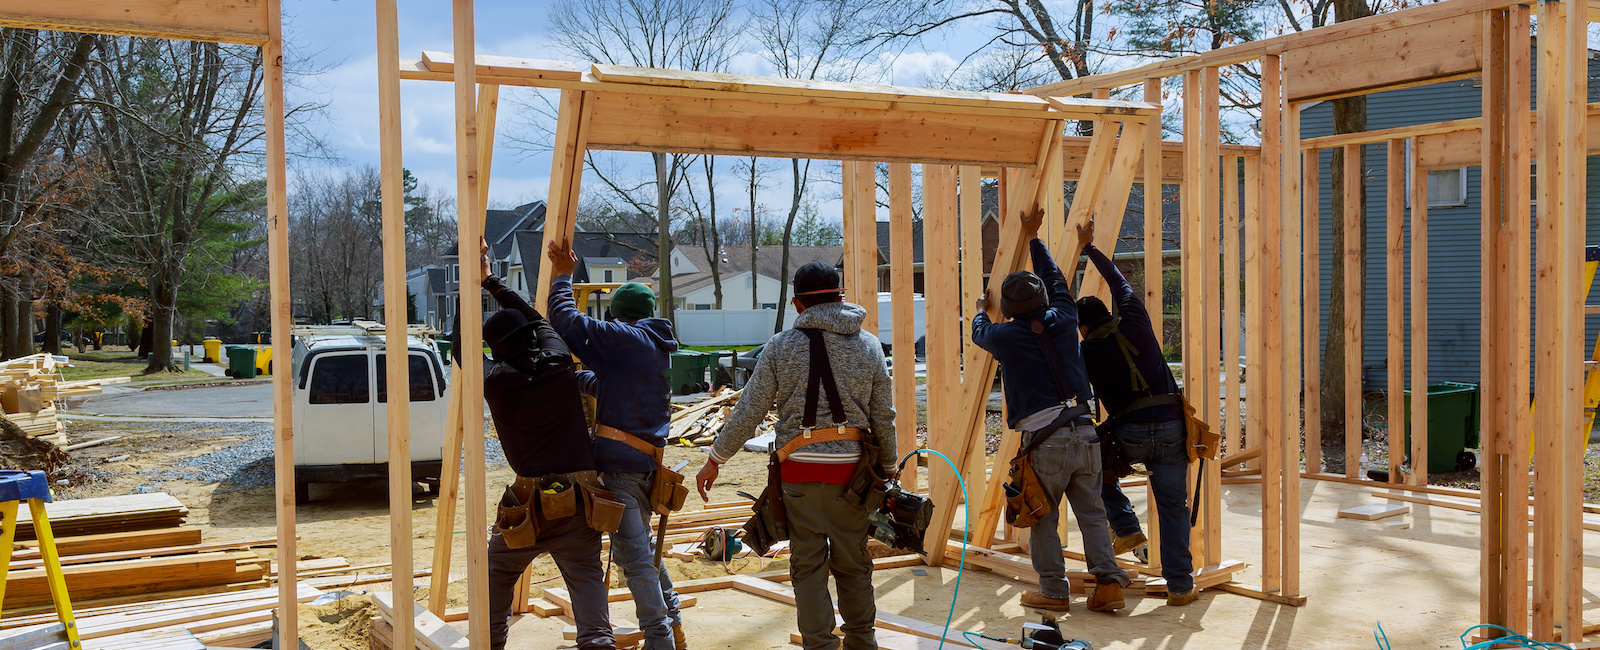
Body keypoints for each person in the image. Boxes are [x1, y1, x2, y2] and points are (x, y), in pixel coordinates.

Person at [694, 261, 896, 650]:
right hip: (853, 479)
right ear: (840, 297)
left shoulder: (780, 346)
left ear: (797, 304)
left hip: (799, 474)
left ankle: (819, 646)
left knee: (807, 568)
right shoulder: (868, 344)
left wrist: (715, 459)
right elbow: (883, 416)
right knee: (854, 566)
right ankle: (861, 644)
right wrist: (888, 468)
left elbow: (749, 410)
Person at [452, 239, 613, 650]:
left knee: (495, 577)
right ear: (531, 338)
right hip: (579, 501)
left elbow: (460, 347)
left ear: (496, 348)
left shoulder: (496, 382)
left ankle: (489, 645)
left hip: (527, 508)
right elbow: (537, 319)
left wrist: (468, 285)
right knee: (588, 588)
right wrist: (490, 280)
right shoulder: (559, 361)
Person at [971, 208, 1129, 613]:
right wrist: (1033, 237)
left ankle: (1055, 592)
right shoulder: (1065, 317)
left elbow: (979, 332)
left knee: (1041, 516)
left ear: (1007, 308)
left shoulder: (1003, 335)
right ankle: (1108, 584)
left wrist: (978, 309)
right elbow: (1058, 279)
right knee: (1093, 513)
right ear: (1043, 299)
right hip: (1086, 432)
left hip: (1046, 443)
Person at [546, 238, 687, 650]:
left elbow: (565, 320)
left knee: (636, 562)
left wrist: (563, 276)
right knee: (643, 554)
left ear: (618, 318)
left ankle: (662, 642)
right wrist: (576, 381)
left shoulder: (626, 339)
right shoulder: (653, 346)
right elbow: (615, 386)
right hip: (645, 465)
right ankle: (673, 625)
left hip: (624, 470)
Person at [1075, 221, 1198, 607]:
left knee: (1093, 472)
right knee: (1173, 506)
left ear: (1082, 326)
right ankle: (1180, 587)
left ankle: (1127, 529)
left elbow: (1086, 400)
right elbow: (1119, 282)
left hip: (1129, 434)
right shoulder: (1135, 319)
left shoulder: (1086, 353)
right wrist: (1089, 248)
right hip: (1173, 429)